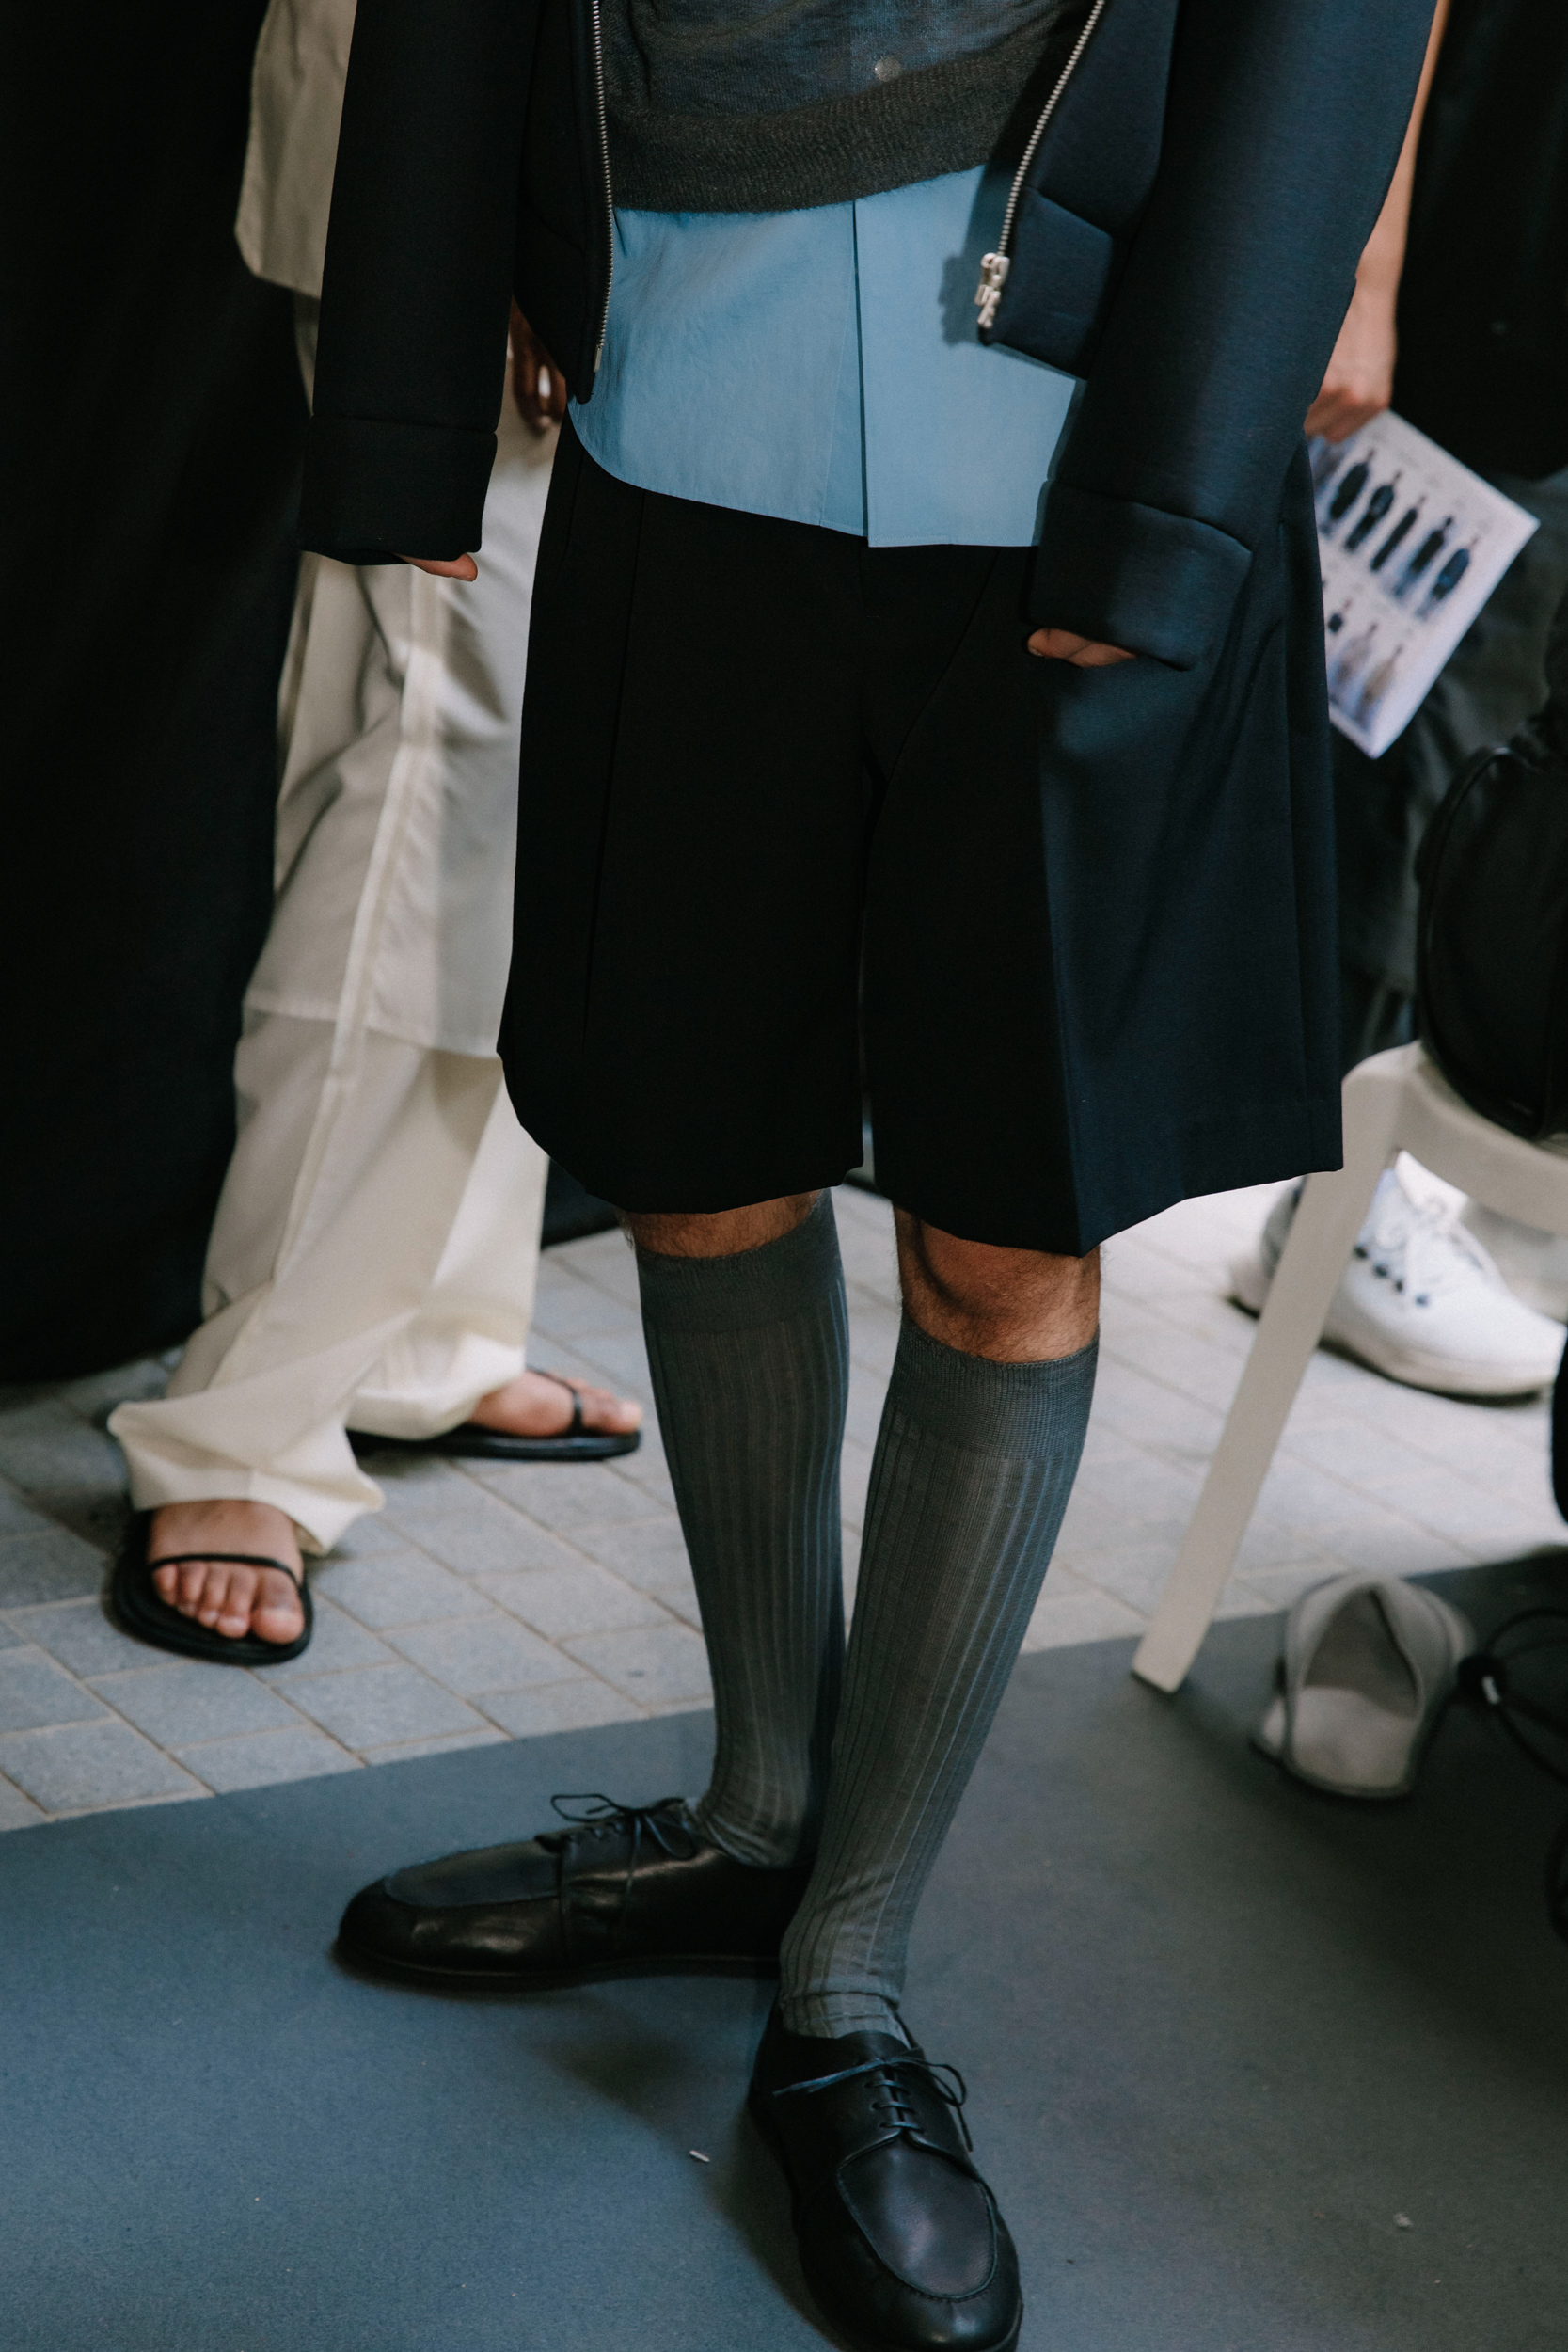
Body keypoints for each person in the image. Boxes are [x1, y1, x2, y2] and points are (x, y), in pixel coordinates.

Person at [298, 1, 1437, 2344]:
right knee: (694, 1160)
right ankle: (751, 1811)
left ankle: (849, 1968)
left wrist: (1313, 296)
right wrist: (426, 323)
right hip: (675, 397)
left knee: (1001, 1237)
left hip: (1088, 441)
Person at [106, 0, 641, 1668]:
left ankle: (420, 1327)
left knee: (524, 771)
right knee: (428, 778)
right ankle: (243, 1431)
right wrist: (500, 188)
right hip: (475, 106)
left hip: (645, 133)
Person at [1234, 0, 1568, 1397]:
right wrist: (1363, 265)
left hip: (1514, 307)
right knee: (1414, 745)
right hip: (1480, 290)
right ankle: (1328, 1197)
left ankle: (1357, 1185)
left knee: (1472, 733)